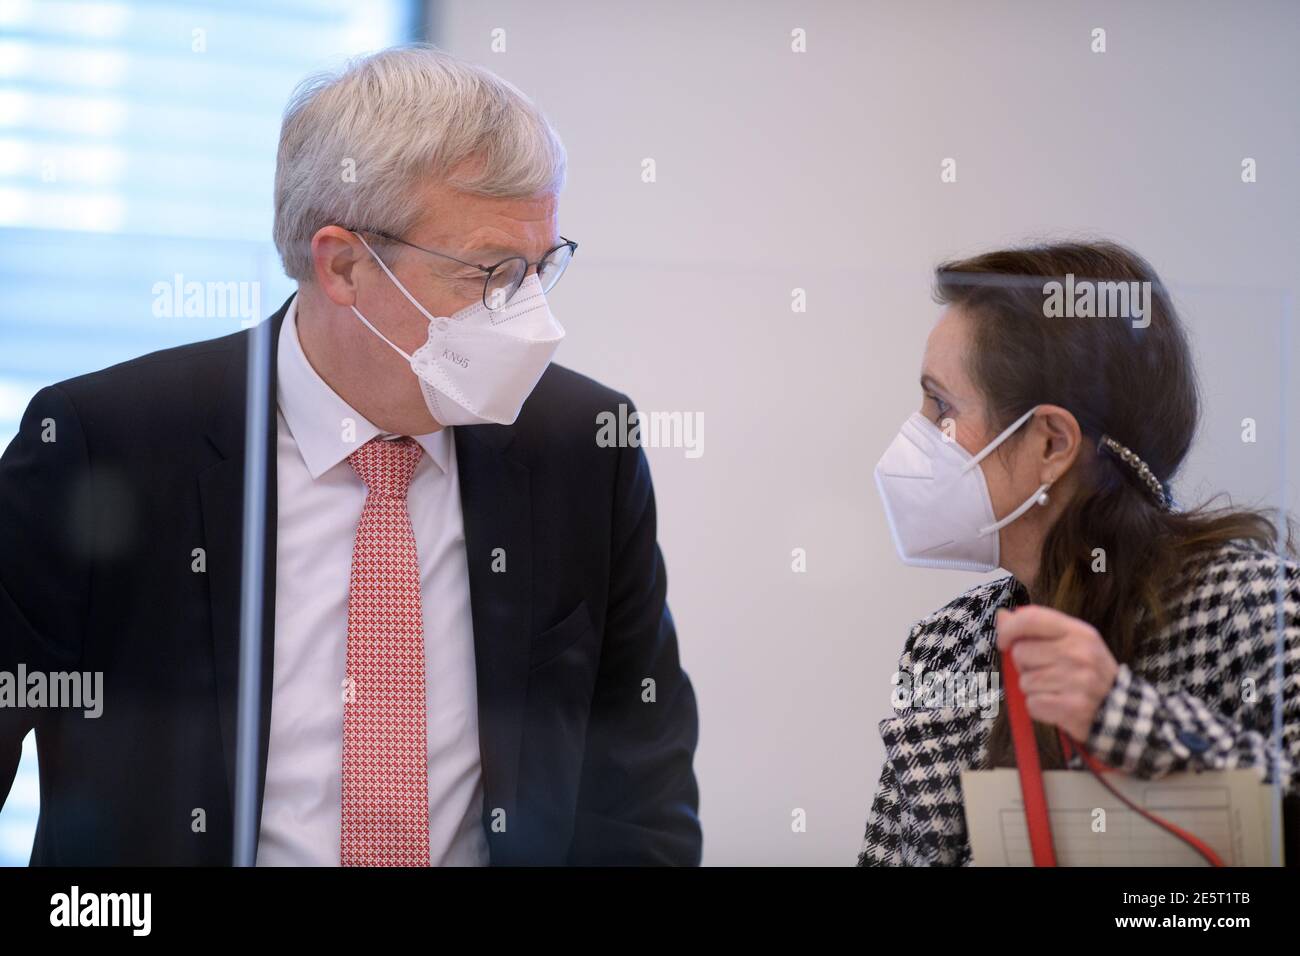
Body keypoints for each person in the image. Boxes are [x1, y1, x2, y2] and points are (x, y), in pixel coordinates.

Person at [0, 45, 701, 866]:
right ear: (342, 265)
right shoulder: (107, 443)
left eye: (542, 267)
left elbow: (640, 795)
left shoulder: (581, 446)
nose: (531, 316)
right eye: (491, 274)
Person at [858, 240, 1299, 866]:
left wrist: (1121, 717)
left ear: (1051, 444)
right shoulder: (944, 647)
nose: (917, 435)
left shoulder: (1252, 605)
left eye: (942, 406)